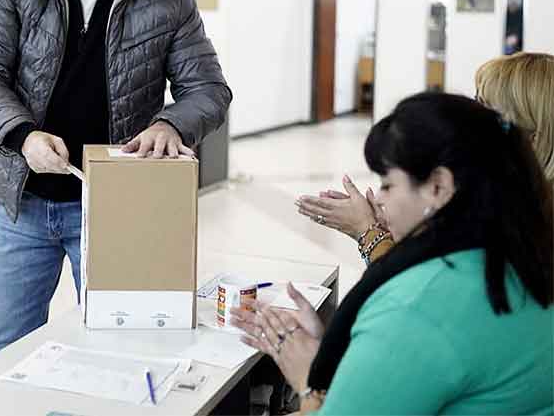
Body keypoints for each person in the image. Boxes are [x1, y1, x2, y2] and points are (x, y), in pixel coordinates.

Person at [0, 0, 232, 352]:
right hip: (23, 201)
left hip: (116, 206)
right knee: (9, 349)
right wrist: (23, 135)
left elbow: (209, 90)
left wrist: (171, 123)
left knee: (122, 347)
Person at [234, 92, 553, 414]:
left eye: (388, 185)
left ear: (438, 187)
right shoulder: (520, 258)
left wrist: (308, 379)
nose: (381, 202)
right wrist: (346, 348)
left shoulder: (419, 306)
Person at [297, 51, 554, 265]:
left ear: (531, 136)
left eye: (486, 112)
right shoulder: (507, 196)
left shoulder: (521, 221)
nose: (469, 121)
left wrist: (367, 232)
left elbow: (413, 296)